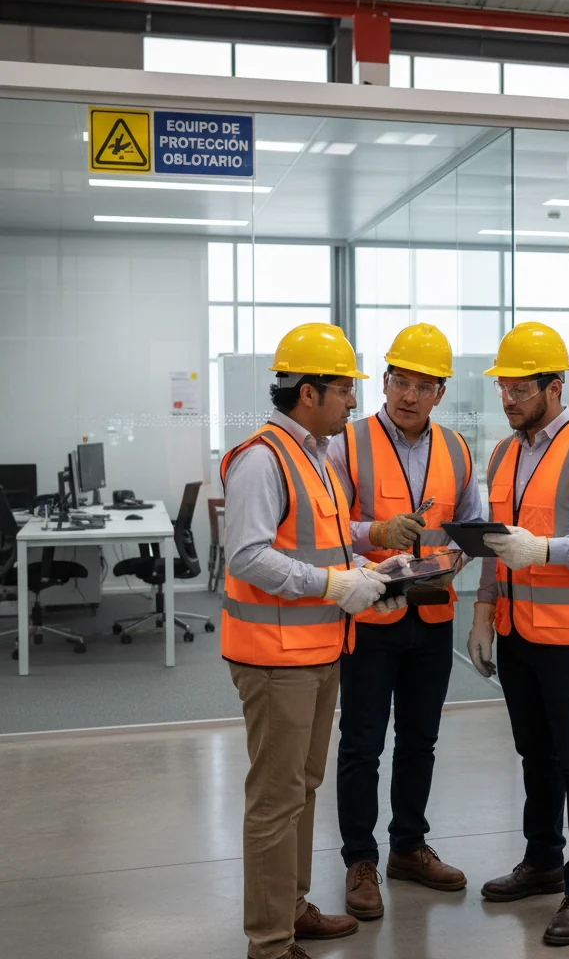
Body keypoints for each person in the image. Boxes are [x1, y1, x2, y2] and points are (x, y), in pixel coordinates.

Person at [221, 323, 396, 959]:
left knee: (301, 787)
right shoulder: (263, 458)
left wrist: (369, 559)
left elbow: (326, 532)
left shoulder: (313, 453)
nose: (354, 402)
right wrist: (333, 585)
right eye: (345, 390)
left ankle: (291, 910)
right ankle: (268, 944)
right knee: (274, 800)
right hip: (274, 659)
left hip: (318, 651)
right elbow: (247, 556)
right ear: (309, 392)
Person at [467, 321, 569, 948]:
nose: (507, 399)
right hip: (517, 629)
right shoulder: (504, 452)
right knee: (534, 754)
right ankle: (543, 862)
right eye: (503, 388)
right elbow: (496, 544)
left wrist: (547, 548)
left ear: (554, 386)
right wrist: (483, 610)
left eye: (519, 388)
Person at [327, 322, 484, 921]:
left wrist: (454, 563)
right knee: (363, 744)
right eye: (398, 380)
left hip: (433, 613)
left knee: (421, 739)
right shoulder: (347, 442)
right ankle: (359, 861)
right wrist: (376, 532)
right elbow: (330, 526)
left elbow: (470, 527)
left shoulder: (457, 449)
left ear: (440, 392)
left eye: (421, 385)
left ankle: (409, 847)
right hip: (370, 615)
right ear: (385, 381)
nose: (407, 395)